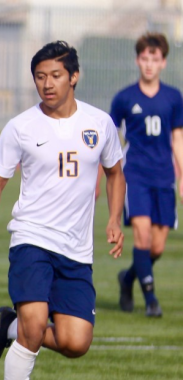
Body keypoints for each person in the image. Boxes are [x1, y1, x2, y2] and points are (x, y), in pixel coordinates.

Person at [0, 41, 126, 380]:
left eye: (55, 75)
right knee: (36, 324)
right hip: (31, 239)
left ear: (74, 77)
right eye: (40, 76)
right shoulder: (20, 127)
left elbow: (115, 173)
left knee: (76, 343)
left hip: (77, 250)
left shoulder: (100, 124)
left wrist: (113, 218)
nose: (47, 84)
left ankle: (8, 326)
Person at [111, 32, 183, 318]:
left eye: (155, 59)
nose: (149, 64)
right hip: (135, 176)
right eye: (144, 58)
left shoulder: (174, 98)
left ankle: (127, 279)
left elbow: (177, 139)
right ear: (137, 60)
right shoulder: (125, 98)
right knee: (141, 237)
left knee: (157, 246)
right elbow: (111, 137)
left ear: (164, 62)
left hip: (164, 177)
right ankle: (151, 300)